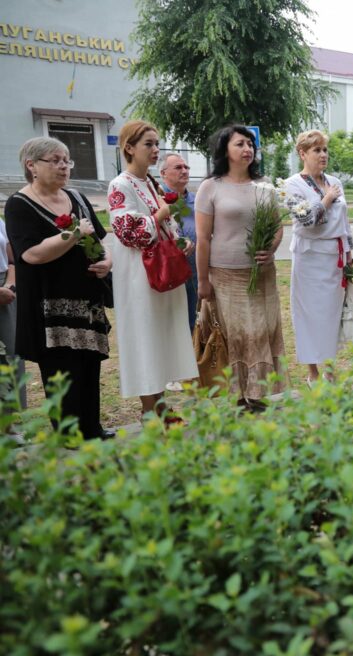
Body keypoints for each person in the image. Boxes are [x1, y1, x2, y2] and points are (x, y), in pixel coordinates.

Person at [4, 137, 112, 439]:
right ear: (32, 165)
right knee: (60, 371)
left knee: (89, 365)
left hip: (86, 299)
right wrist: (75, 234)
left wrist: (107, 261)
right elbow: (31, 254)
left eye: (67, 160)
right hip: (48, 305)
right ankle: (68, 434)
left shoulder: (76, 196)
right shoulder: (19, 204)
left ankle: (92, 428)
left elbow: (101, 240)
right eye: (55, 160)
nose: (64, 166)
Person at [107, 120, 197, 423]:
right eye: (149, 144)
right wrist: (160, 215)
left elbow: (165, 226)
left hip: (162, 271)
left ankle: (160, 404)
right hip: (138, 276)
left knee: (162, 336)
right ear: (129, 148)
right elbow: (127, 231)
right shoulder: (120, 185)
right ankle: (150, 408)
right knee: (145, 337)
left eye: (157, 143)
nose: (156, 149)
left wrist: (180, 241)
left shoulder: (150, 183)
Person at [195, 125, 286, 411]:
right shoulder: (211, 186)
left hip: (261, 274)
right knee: (233, 334)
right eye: (239, 144)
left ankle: (256, 393)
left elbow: (277, 226)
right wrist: (202, 280)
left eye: (250, 144)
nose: (247, 149)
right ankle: (235, 394)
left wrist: (269, 250)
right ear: (225, 150)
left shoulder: (265, 185)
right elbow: (202, 238)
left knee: (259, 331)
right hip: (224, 274)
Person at [281, 129, 352, 384]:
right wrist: (327, 199)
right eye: (317, 150)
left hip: (335, 257)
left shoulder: (335, 181)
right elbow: (307, 220)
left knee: (333, 316)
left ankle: (331, 370)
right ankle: (312, 373)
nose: (323, 155)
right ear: (302, 153)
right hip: (310, 258)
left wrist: (350, 254)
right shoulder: (291, 185)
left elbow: (344, 222)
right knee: (309, 315)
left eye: (325, 150)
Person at [159, 153, 198, 332]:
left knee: (195, 328)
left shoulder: (197, 202)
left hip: (195, 278)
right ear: (163, 173)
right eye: (178, 167)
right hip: (168, 279)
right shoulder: (156, 201)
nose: (184, 171)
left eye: (186, 167)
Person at [0, 219, 26, 410]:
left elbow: (11, 259)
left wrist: (10, 284)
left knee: (12, 355)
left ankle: (13, 423)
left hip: (6, 289)